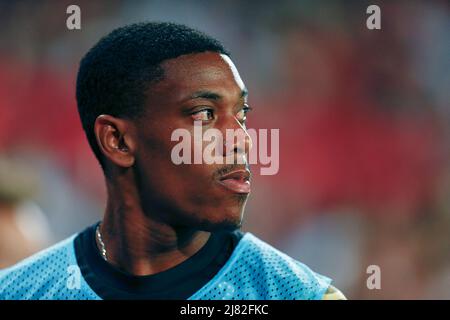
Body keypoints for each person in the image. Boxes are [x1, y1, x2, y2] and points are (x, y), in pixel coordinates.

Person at [0, 22, 345, 300]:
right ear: (117, 140)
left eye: (241, 114)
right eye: (204, 114)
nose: (242, 138)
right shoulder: (19, 292)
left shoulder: (298, 294)